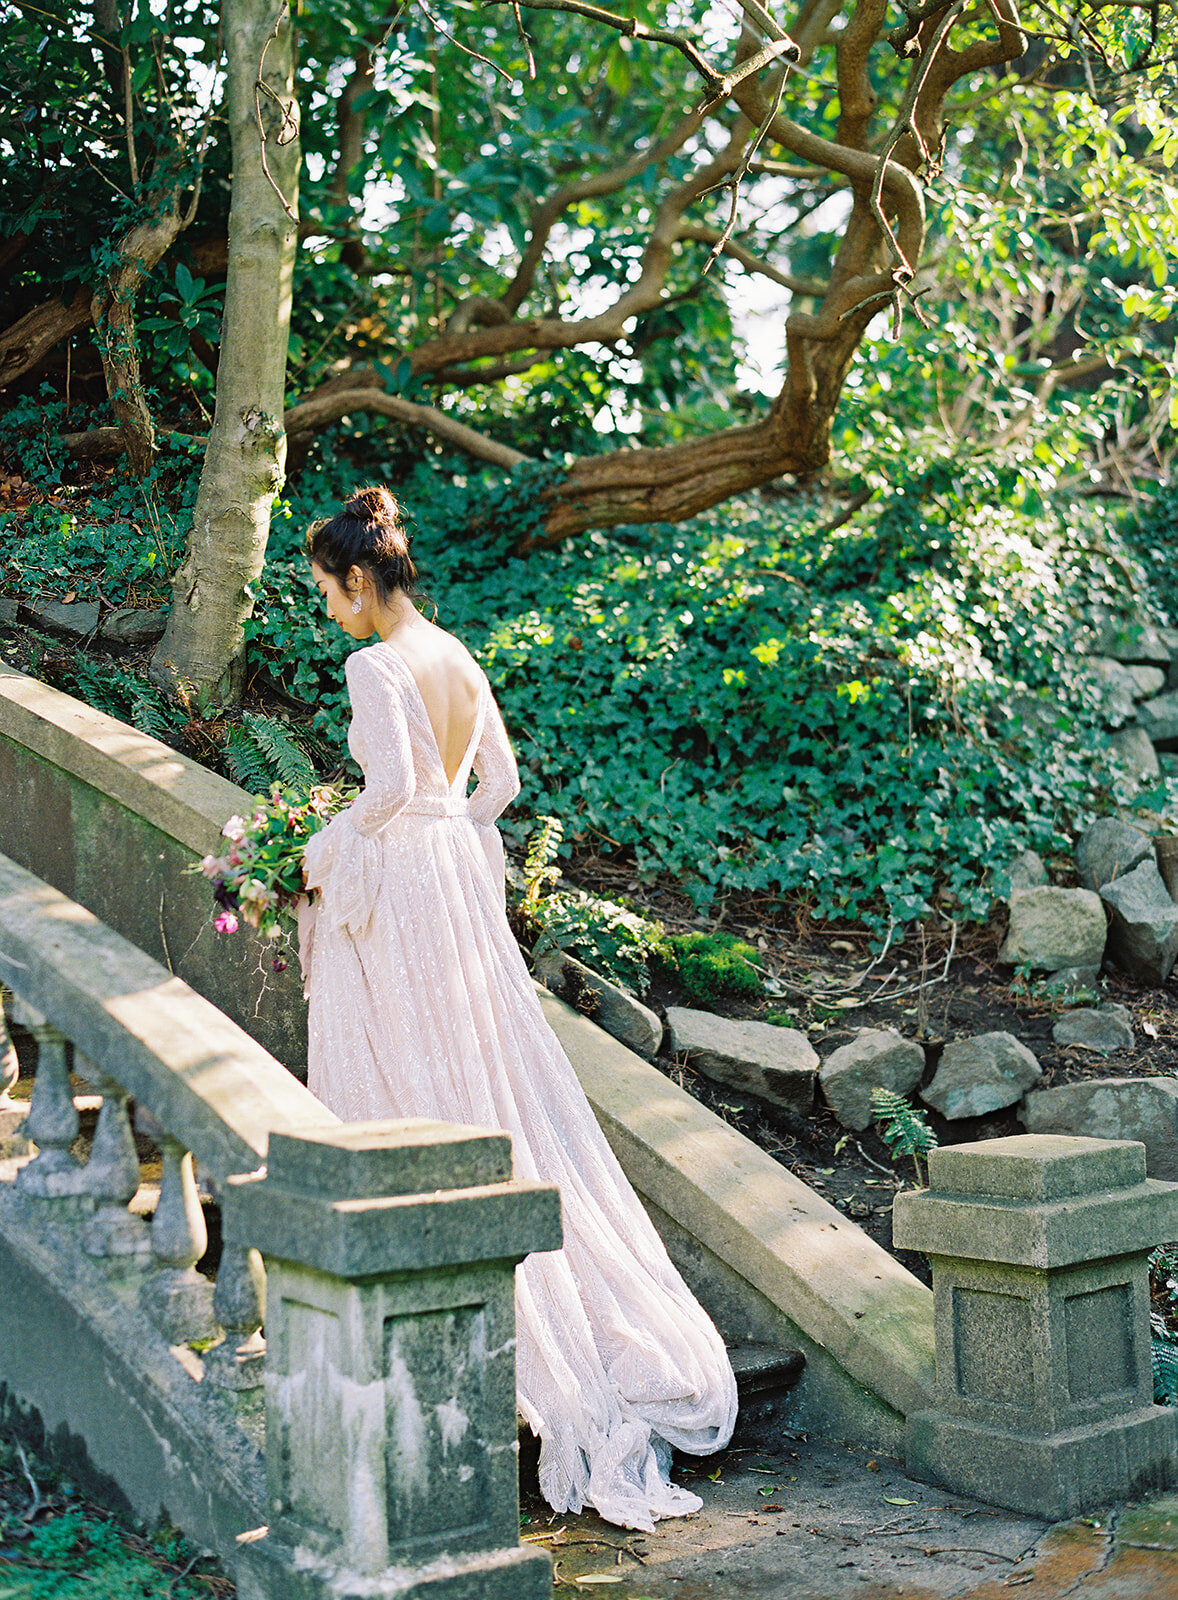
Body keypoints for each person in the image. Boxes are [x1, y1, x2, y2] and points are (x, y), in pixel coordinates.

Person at [299, 485, 737, 1532]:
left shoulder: (374, 662)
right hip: (454, 876)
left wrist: (322, 847)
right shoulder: (454, 653)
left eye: (325, 590)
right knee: (477, 1067)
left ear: (358, 579)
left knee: (406, 1061)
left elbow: (391, 787)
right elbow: (494, 783)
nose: (326, 611)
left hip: (406, 883)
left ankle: (425, 1287)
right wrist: (451, 836)